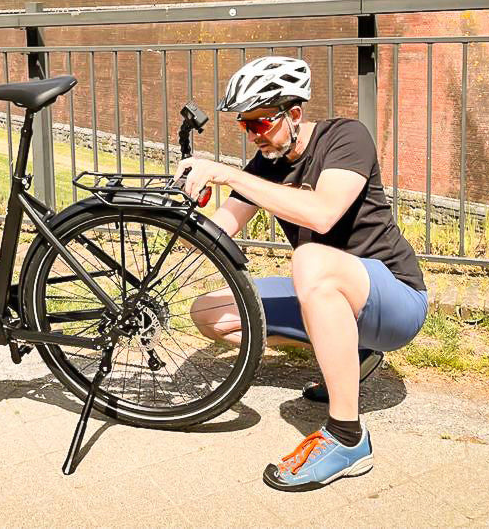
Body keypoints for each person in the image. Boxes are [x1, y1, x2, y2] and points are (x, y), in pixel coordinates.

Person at [175, 55, 427, 492]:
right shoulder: (264, 166)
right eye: (244, 126)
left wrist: (228, 172)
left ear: (294, 114)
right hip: (332, 295)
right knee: (208, 312)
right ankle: (355, 357)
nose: (253, 136)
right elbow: (215, 235)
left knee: (310, 258)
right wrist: (178, 211)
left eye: (260, 123)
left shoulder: (347, 137)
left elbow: (324, 213)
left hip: (395, 299)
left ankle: (349, 439)